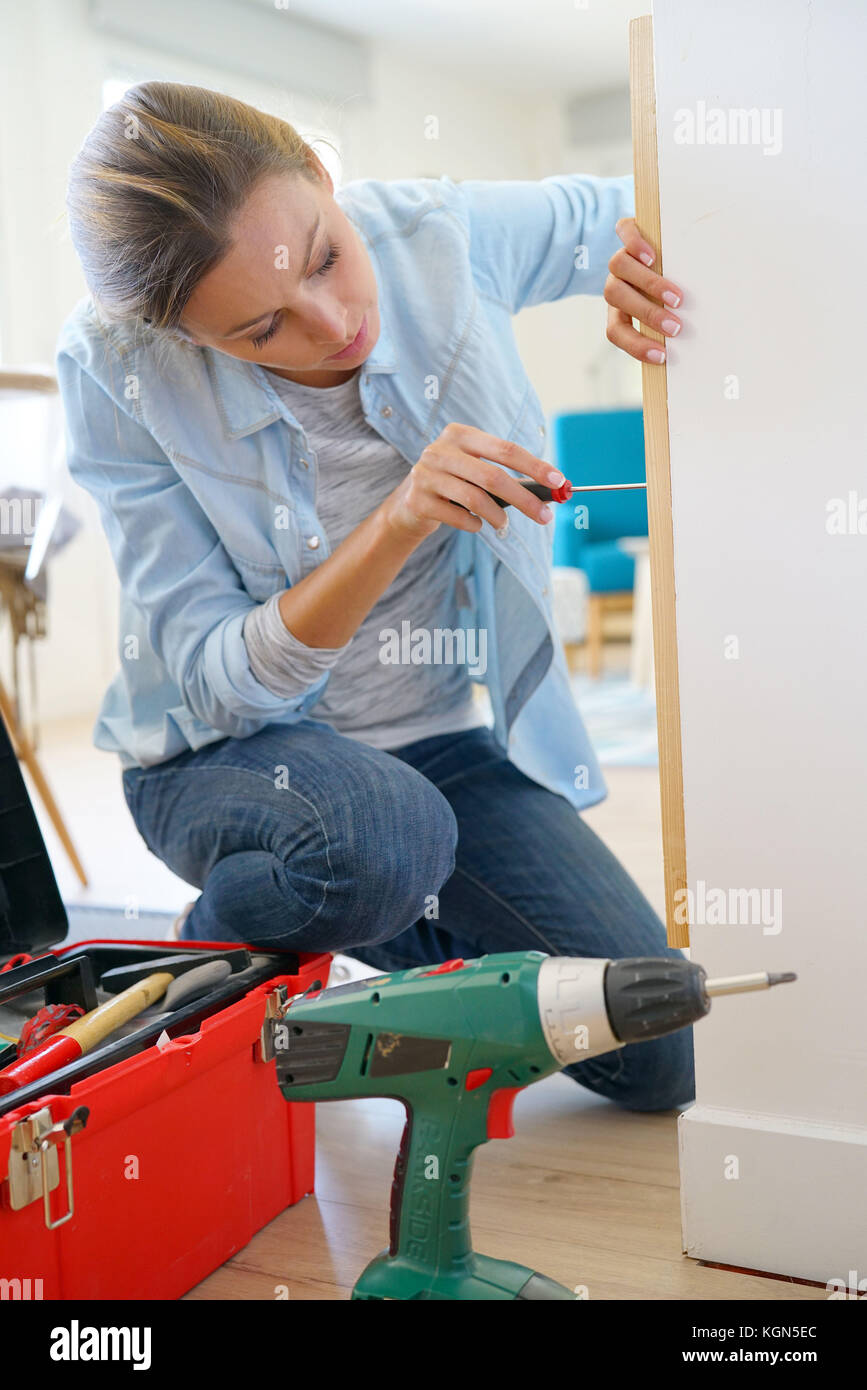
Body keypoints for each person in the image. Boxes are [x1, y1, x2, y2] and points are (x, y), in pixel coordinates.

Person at [58, 83, 690, 1111]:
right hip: (219, 759)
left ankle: (333, 952)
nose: (334, 322)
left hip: (432, 750)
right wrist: (396, 520)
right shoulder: (116, 374)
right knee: (380, 832)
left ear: (319, 171)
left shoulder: (436, 233)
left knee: (656, 1045)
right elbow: (221, 687)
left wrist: (641, 271)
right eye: (263, 329)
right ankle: (223, 944)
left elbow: (658, 210)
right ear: (188, 337)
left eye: (325, 256)